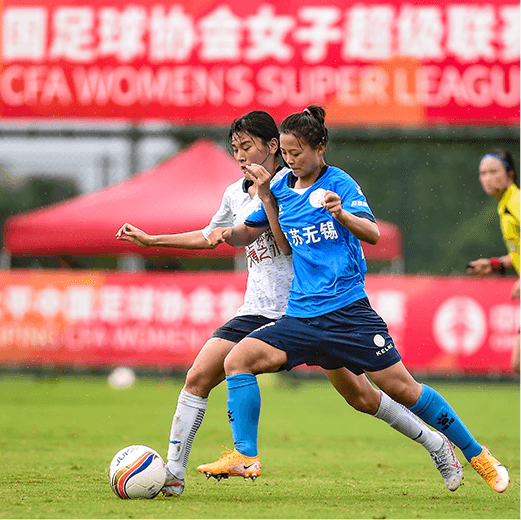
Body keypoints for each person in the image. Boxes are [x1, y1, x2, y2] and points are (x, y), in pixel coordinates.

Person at [116, 111, 462, 497]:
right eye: (234, 148)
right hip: (256, 311)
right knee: (198, 376)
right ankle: (175, 476)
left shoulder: (290, 186)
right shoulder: (235, 193)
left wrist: (267, 201)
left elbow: (289, 243)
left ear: (273, 146)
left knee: (362, 397)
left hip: (303, 312)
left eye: (247, 146)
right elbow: (212, 235)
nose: (240, 155)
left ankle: (436, 443)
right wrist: (153, 241)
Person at [198, 106, 509, 493]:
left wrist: (342, 214)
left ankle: (477, 454)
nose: (291, 161)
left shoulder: (339, 183)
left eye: (297, 153)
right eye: (287, 154)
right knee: (237, 360)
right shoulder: (279, 189)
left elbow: (372, 234)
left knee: (402, 389)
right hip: (301, 317)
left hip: (347, 314)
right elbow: (280, 244)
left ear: (320, 147)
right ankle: (246, 455)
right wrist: (255, 206)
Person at [467, 149, 520, 373]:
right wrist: (495, 264)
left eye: (493, 171)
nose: (487, 178)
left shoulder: (516, 202)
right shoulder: (504, 204)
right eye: (483, 173)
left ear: (510, 174)